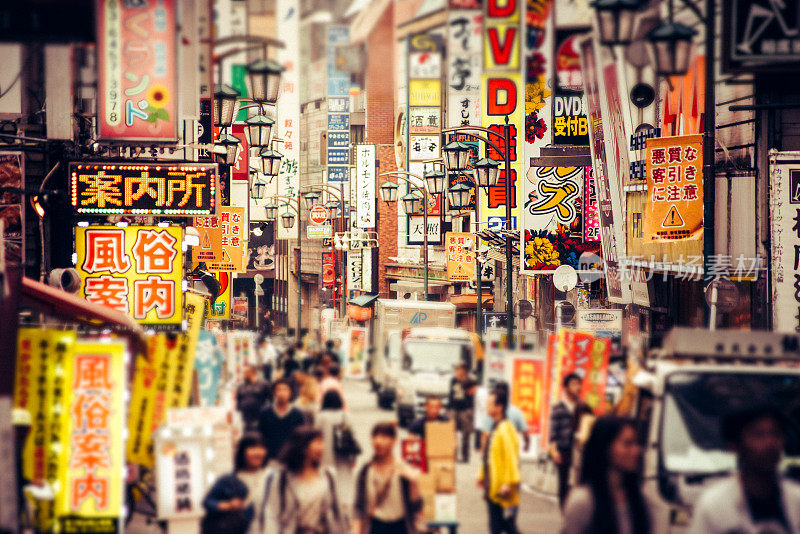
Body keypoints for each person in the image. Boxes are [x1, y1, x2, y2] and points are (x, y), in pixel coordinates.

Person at [688, 405, 800, 533]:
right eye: (758, 435)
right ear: (734, 446)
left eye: (775, 434)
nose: (770, 443)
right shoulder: (714, 506)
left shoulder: (796, 501)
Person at [562, 417, 650, 534]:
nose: (636, 451)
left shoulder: (642, 499)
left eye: (637, 443)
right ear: (605, 446)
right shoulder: (583, 500)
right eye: (627, 444)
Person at [261, 426, 347, 534]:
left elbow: (338, 514)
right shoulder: (282, 478)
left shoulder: (329, 476)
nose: (322, 447)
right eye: (318, 442)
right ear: (303, 447)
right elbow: (272, 516)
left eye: (322, 442)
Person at [354, 422, 423, 534]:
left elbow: (416, 506)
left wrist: (414, 482)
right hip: (375, 526)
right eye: (375, 436)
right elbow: (358, 507)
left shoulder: (403, 470)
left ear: (394, 441)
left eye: (384, 437)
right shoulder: (365, 471)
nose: (378, 441)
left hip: (400, 527)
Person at [202, 432, 269, 534]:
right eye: (252, 448)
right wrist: (228, 505)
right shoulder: (229, 480)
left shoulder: (272, 478)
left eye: (261, 447)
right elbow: (207, 502)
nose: (257, 452)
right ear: (242, 452)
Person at [479, 387, 521, 534]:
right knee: (497, 524)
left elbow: (511, 458)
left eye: (490, 404)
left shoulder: (505, 429)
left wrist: (508, 483)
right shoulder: (495, 427)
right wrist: (482, 476)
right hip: (493, 484)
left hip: (501, 485)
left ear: (499, 407)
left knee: (502, 524)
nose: (487, 407)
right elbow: (489, 456)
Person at [549, 373, 593, 507]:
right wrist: (554, 452)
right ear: (566, 387)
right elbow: (553, 432)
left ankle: (577, 510)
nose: (578, 387)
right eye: (574, 384)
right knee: (563, 483)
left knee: (580, 482)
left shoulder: (584, 407)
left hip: (581, 450)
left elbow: (591, 425)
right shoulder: (558, 408)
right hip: (564, 449)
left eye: (579, 384)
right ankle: (565, 511)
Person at [314, 390, 356, 512]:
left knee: (326, 476)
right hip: (343, 453)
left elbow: (316, 434)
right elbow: (352, 437)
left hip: (325, 453)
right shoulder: (346, 415)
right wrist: (353, 457)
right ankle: (343, 503)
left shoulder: (321, 416)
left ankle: (327, 501)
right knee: (343, 477)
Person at [258, 379, 306, 463]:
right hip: (271, 457)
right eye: (279, 390)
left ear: (291, 393)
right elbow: (261, 435)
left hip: (291, 457)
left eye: (285, 390)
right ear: (273, 393)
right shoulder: (265, 412)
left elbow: (301, 438)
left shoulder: (297, 413)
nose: (282, 393)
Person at [478, 382, 529, 452]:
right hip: (511, 451)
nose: (487, 406)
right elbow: (525, 432)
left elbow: (484, 436)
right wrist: (527, 444)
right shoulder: (517, 412)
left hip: (494, 453)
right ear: (508, 393)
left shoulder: (491, 412)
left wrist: (483, 454)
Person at [449, 363, 478, 463]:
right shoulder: (453, 380)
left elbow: (472, 394)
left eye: (459, 369)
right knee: (452, 432)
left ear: (464, 370)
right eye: (456, 369)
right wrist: (449, 408)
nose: (457, 371)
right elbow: (451, 394)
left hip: (466, 409)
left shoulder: (471, 381)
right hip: (455, 408)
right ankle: (453, 455)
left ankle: (465, 456)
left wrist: (462, 381)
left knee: (466, 434)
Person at [237, 365, 271, 429]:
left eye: (245, 373)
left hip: (260, 419)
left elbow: (271, 400)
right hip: (245, 420)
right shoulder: (241, 387)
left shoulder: (264, 384)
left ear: (253, 373)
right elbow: (238, 402)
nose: (243, 375)